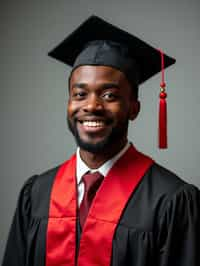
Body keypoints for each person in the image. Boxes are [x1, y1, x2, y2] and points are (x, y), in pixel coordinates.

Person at [2, 15, 200, 266]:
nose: (92, 106)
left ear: (134, 109)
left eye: (109, 95)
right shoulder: (37, 194)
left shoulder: (171, 200)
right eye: (80, 94)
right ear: (69, 103)